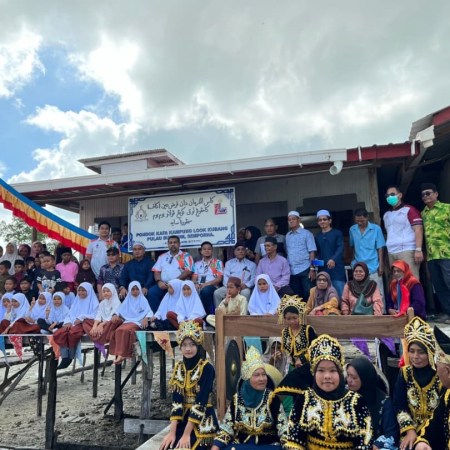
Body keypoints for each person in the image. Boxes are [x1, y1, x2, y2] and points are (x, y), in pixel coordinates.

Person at [282, 334, 373, 449]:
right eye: (321, 370)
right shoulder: (304, 399)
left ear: (340, 373)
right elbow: (293, 440)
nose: (327, 376)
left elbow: (365, 441)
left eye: (332, 370)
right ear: (314, 373)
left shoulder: (356, 401)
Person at [212, 346, 286, 449]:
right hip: (242, 446)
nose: (262, 379)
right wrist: (215, 446)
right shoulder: (237, 400)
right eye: (256, 375)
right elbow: (226, 429)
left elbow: (284, 429)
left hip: (267, 447)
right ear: (247, 378)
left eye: (264, 374)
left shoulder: (272, 399)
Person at [160, 320, 218, 450]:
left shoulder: (207, 368)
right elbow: (176, 402)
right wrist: (172, 433)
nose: (188, 349)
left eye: (192, 344)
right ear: (180, 347)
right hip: (184, 418)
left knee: (192, 446)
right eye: (184, 345)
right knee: (169, 445)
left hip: (203, 419)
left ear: (198, 345)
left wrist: (186, 434)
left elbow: (201, 402)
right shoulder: (179, 367)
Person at [393, 317, 441, 449]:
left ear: (430, 352)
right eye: (412, 351)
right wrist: (409, 430)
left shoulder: (440, 375)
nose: (415, 357)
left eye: (421, 352)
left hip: (437, 431)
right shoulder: (405, 374)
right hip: (410, 431)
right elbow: (399, 405)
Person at [346, 356, 399, 449]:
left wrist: (376, 445)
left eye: (354, 377)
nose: (349, 380)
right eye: (348, 375)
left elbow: (391, 432)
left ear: (365, 378)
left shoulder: (383, 402)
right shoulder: (345, 397)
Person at [274, 295, 317, 409]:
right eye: (288, 319)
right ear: (284, 319)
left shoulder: (307, 330)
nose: (292, 321)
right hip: (294, 368)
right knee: (294, 396)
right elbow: (285, 350)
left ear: (300, 316)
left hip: (308, 368)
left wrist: (302, 359)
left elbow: (315, 348)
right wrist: (279, 354)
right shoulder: (285, 332)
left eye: (294, 318)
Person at [414, 326, 450, 449]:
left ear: (448, 371)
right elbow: (435, 422)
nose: (436, 372)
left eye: (437, 367)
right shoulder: (447, 394)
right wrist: (423, 441)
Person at [420, 182, 450, 322]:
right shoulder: (423, 214)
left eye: (428, 193)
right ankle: (447, 312)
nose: (425, 196)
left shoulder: (447, 208)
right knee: (439, 285)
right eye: (423, 194)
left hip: (447, 253)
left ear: (436, 194)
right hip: (432, 256)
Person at [53, 282, 99, 369]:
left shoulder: (94, 302)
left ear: (89, 291)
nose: (81, 292)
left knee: (73, 333)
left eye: (83, 290)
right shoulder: (76, 301)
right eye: (79, 290)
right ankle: (65, 357)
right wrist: (68, 322)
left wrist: (82, 317)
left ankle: (70, 356)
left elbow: (95, 315)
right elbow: (70, 314)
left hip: (83, 324)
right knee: (60, 333)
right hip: (73, 323)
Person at [383, 185, 423, 279]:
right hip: (391, 252)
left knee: (411, 280)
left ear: (400, 195)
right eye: (387, 196)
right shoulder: (386, 215)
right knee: (397, 282)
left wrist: (418, 250)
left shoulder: (410, 210)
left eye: (392, 194)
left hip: (407, 251)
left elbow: (418, 229)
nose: (389, 197)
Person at [109, 281, 154, 365]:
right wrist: (115, 314)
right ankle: (120, 354)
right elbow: (119, 310)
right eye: (133, 289)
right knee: (118, 330)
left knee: (125, 330)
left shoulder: (143, 300)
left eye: (137, 289)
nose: (135, 291)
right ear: (130, 290)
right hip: (128, 321)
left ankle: (122, 354)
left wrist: (146, 318)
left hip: (138, 322)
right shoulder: (127, 300)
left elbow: (150, 312)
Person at [349, 208, 386, 299]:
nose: (359, 223)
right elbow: (352, 247)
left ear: (367, 217)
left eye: (362, 220)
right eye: (357, 221)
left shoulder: (376, 229)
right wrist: (352, 262)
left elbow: (380, 248)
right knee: (361, 294)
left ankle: (380, 309)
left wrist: (381, 265)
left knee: (378, 293)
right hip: (358, 267)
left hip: (373, 265)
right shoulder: (352, 229)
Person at [150, 235, 193, 311]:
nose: (173, 244)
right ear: (168, 244)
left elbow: (188, 271)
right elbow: (156, 271)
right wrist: (159, 282)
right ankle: (157, 315)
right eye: (170, 243)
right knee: (152, 292)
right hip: (164, 284)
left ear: (179, 244)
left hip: (179, 284)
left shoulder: (186, 256)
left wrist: (174, 282)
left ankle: (178, 315)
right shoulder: (162, 256)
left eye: (175, 242)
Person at [315, 209, 347, 298]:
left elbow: (340, 248)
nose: (322, 221)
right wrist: (315, 263)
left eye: (324, 219)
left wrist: (333, 259)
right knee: (325, 296)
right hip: (323, 270)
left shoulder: (337, 233)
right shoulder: (318, 236)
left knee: (340, 294)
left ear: (330, 221)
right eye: (320, 220)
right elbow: (318, 252)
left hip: (337, 269)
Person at [285, 210, 317, 300]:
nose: (291, 221)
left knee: (309, 293)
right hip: (292, 270)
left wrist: (312, 269)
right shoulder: (287, 236)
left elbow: (312, 252)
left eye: (293, 219)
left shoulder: (307, 234)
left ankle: (310, 309)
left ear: (299, 220)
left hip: (305, 268)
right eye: (289, 220)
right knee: (297, 296)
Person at [214, 241, 257, 306]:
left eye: (242, 249)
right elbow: (225, 278)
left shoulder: (252, 264)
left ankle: (244, 312)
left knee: (246, 293)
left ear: (245, 252)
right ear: (234, 252)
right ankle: (220, 311)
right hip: (229, 287)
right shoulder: (229, 263)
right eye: (238, 249)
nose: (240, 251)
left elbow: (254, 278)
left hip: (244, 288)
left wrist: (246, 285)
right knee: (217, 293)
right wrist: (231, 287)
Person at [192, 241, 224, 314]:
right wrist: (195, 284)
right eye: (204, 249)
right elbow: (194, 278)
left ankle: (207, 315)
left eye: (209, 249)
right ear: (201, 251)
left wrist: (206, 284)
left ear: (212, 250)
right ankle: (194, 315)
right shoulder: (197, 264)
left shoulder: (218, 262)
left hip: (212, 286)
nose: (207, 251)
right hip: (199, 286)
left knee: (206, 290)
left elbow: (219, 279)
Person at [89, 283, 121, 354]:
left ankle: (100, 340)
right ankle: (99, 337)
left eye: (108, 291)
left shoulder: (117, 302)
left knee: (114, 320)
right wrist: (95, 326)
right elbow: (98, 315)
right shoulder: (102, 303)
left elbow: (112, 316)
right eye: (104, 291)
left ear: (112, 291)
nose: (105, 293)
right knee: (87, 321)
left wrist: (101, 325)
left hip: (111, 324)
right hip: (104, 324)